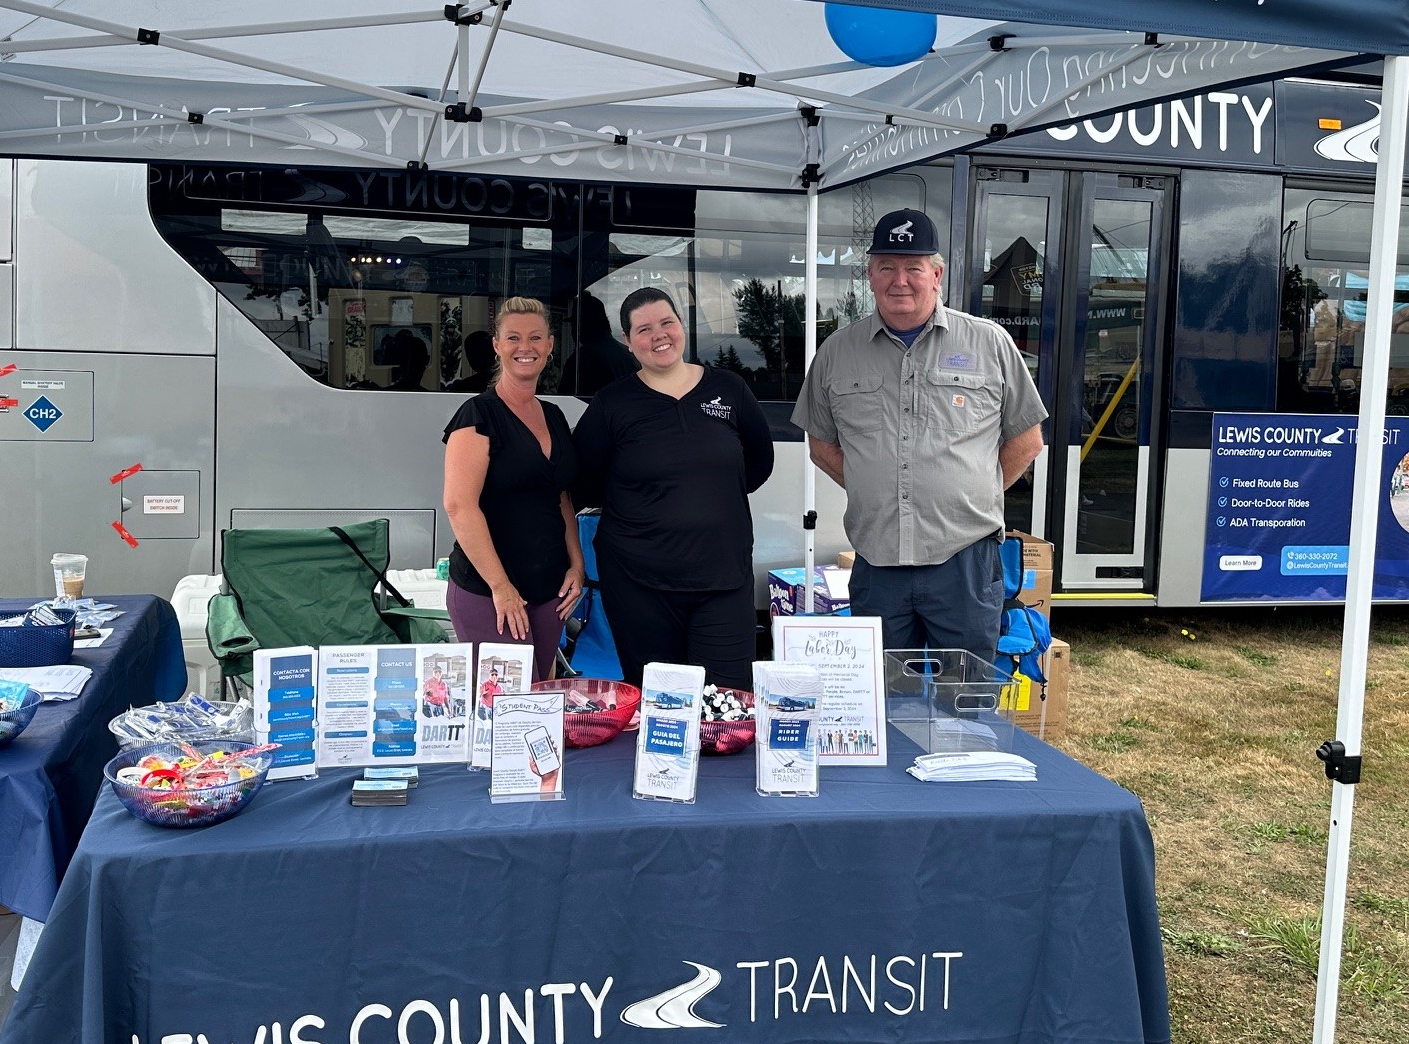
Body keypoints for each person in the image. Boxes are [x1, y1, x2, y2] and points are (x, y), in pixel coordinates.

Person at [793, 208, 1045, 659]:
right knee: (885, 703)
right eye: (886, 267)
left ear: (937, 274)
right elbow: (822, 445)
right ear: (870, 276)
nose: (900, 280)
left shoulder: (989, 343)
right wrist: (881, 487)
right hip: (878, 563)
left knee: (965, 701)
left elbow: (1026, 441)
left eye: (914, 267)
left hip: (964, 560)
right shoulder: (836, 353)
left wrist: (975, 492)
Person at [573, 287, 775, 691]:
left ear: (682, 327)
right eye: (643, 329)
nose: (659, 335)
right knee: (662, 710)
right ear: (628, 343)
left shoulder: (730, 389)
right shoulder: (612, 404)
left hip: (723, 577)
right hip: (638, 586)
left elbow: (758, 464)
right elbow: (583, 483)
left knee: (727, 711)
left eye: (667, 322)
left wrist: (705, 498)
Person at [442, 299, 586, 673]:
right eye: (514, 338)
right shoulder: (477, 415)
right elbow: (459, 507)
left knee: (541, 702)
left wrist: (577, 565)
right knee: (506, 712)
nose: (526, 347)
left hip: (549, 592)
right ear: (497, 345)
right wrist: (501, 587)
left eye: (536, 337)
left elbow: (561, 496)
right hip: (489, 594)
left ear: (551, 345)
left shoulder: (553, 415)